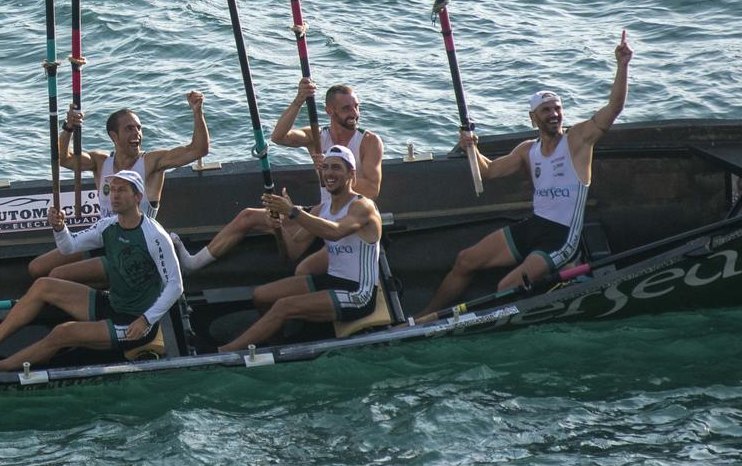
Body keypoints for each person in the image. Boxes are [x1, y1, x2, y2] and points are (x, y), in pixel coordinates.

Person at [422, 31, 632, 317]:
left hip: (562, 238)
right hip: (535, 226)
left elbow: (614, 108)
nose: (554, 114)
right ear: (533, 118)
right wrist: (471, 147)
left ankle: (567, 270)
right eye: (546, 110)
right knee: (465, 260)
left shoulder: (578, 140)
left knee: (506, 286)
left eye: (557, 108)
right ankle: (424, 317)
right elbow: (489, 172)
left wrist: (622, 65)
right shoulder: (526, 150)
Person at [0, 170, 185, 372]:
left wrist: (146, 319)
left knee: (62, 333)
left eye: (122, 190)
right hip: (113, 304)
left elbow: (175, 285)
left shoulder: (155, 236)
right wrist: (60, 228)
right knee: (43, 285)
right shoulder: (107, 226)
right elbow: (68, 247)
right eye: (112, 190)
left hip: (136, 324)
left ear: (137, 197)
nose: (114, 195)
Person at [181, 77, 384, 275]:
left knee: (302, 260)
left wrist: (332, 171)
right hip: (322, 211)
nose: (354, 113)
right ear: (329, 110)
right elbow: (279, 137)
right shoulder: (317, 137)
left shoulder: (369, 142)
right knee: (248, 216)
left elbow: (372, 190)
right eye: (347, 108)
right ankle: (194, 263)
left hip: (349, 217)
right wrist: (299, 100)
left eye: (356, 107)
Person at [27, 90, 208, 282]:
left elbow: (198, 149)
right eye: (129, 128)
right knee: (35, 268)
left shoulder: (152, 162)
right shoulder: (100, 162)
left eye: (139, 128)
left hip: (134, 246)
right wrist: (68, 127)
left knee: (57, 275)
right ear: (114, 136)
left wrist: (197, 112)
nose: (137, 133)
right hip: (104, 238)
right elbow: (64, 159)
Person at [219, 145, 383, 352]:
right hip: (331, 280)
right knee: (261, 295)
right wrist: (278, 226)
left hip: (358, 293)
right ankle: (275, 343)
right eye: (326, 168)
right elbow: (293, 251)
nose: (329, 173)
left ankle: (225, 352)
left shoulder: (363, 206)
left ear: (351, 173)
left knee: (283, 306)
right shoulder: (322, 209)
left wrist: (293, 212)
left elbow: (335, 231)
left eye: (336, 168)